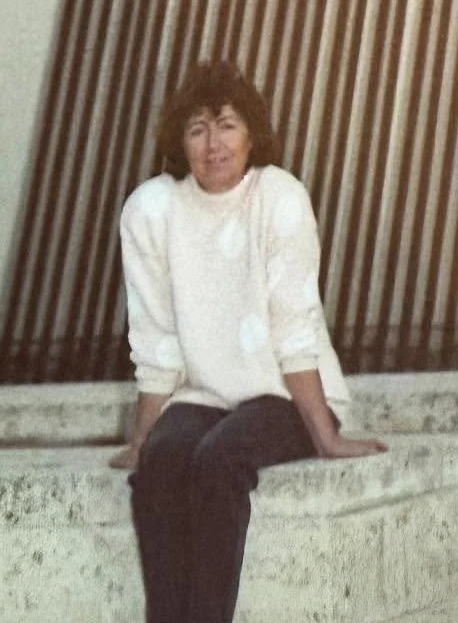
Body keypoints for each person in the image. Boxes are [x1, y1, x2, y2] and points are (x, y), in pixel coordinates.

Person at [110, 59, 385, 623]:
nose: (214, 144)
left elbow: (295, 329)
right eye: (197, 129)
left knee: (217, 464)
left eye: (227, 125)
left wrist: (327, 437)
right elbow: (157, 339)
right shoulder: (152, 210)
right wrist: (142, 439)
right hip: (205, 394)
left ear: (252, 134)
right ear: (179, 143)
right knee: (160, 466)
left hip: (284, 396)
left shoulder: (279, 198)